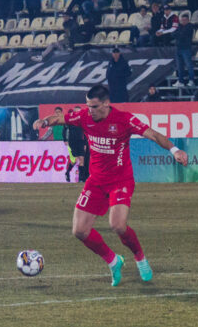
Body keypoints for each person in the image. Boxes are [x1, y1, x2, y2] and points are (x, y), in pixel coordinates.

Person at [33, 85, 189, 286]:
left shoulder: (124, 120)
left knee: (117, 225)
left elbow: (152, 134)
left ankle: (140, 258)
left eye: (94, 106)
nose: (90, 110)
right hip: (96, 181)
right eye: (88, 106)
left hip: (120, 180)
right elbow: (59, 118)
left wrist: (174, 150)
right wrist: (44, 121)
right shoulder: (84, 117)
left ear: (106, 104)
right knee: (79, 230)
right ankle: (114, 261)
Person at [63, 105, 90, 183]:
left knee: (82, 159)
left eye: (79, 111)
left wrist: (85, 143)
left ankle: (81, 179)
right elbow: (64, 130)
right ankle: (67, 172)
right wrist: (65, 139)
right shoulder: (69, 120)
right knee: (74, 160)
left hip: (81, 142)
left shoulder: (83, 120)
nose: (77, 113)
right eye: (76, 111)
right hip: (72, 142)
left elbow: (86, 132)